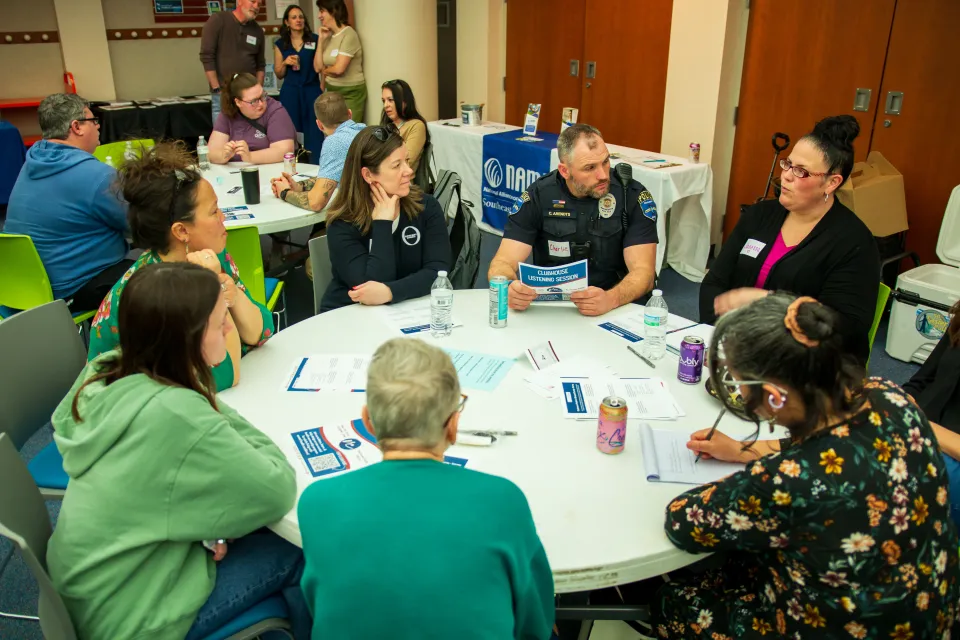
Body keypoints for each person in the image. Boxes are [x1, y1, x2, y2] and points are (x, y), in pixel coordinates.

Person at [655, 294, 959, 639]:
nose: (737, 391)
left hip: (838, 628)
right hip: (927, 613)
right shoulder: (889, 396)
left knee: (673, 598)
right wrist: (746, 449)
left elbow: (682, 523)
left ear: (772, 395)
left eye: (739, 383)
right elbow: (837, 442)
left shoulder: (787, 480)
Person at [47, 262, 310, 640]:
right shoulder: (176, 413)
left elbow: (153, 486)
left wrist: (207, 529)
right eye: (221, 322)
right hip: (134, 620)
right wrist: (211, 409)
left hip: (94, 589)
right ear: (189, 337)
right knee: (303, 549)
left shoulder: (110, 373)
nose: (229, 330)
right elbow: (277, 487)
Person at [299, 338, 555, 639]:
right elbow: (534, 625)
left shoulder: (317, 502)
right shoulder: (503, 501)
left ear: (367, 421)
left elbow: (324, 606)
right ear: (453, 426)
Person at [88, 142, 274, 391]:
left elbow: (259, 332)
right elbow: (223, 374)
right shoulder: (156, 293)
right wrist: (214, 289)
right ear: (181, 231)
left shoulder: (210, 257)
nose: (223, 218)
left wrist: (233, 294)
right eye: (214, 211)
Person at [699, 115, 880, 363]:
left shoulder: (854, 243)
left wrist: (766, 301)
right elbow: (714, 284)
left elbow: (845, 329)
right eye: (788, 164)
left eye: (801, 172)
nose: (785, 176)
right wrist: (721, 337)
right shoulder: (760, 215)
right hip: (737, 346)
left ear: (831, 183)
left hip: (804, 365)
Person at [488, 123, 658, 317]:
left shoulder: (631, 196)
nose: (603, 175)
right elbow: (501, 262)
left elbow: (644, 273)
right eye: (590, 168)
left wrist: (611, 299)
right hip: (553, 308)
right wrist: (509, 287)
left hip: (615, 304)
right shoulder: (538, 196)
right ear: (565, 171)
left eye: (605, 162)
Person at [4, 93, 132, 313]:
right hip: (70, 291)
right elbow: (141, 223)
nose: (98, 127)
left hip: (20, 290)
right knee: (158, 266)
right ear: (77, 127)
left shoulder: (31, 163)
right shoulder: (97, 176)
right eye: (94, 121)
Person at [319, 125, 451, 312]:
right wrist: (382, 224)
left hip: (406, 312)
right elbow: (370, 288)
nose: (408, 171)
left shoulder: (426, 207)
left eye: (406, 161)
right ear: (368, 175)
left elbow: (439, 271)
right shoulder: (342, 223)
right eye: (397, 165)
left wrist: (391, 292)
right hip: (349, 315)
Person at [904, 300, 960, 527]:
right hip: (920, 428)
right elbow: (921, 380)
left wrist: (919, 424)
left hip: (948, 455)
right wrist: (898, 401)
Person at [269, 91, 364, 213]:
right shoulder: (363, 131)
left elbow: (315, 203)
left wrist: (285, 192)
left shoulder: (334, 142)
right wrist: (299, 186)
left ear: (319, 124)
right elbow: (331, 177)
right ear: (350, 114)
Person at [200, 0, 265, 123]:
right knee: (223, 136)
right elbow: (207, 56)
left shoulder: (257, 31)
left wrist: (258, 91)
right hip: (223, 93)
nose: (256, 7)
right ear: (239, 1)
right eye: (253, 1)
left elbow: (260, 65)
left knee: (250, 136)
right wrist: (216, 89)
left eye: (259, 4)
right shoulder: (218, 20)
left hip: (249, 96)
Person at [208, 73, 296, 165]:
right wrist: (224, 155)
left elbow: (285, 151)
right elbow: (211, 152)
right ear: (238, 102)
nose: (261, 103)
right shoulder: (229, 112)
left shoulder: (276, 111)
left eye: (263, 96)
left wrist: (250, 156)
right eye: (254, 101)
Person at [273, 5, 323, 162]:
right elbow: (279, 73)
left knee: (314, 130)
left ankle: (316, 164)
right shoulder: (281, 44)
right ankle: (294, 164)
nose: (298, 20)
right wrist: (285, 62)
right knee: (291, 129)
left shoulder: (314, 40)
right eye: (294, 17)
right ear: (287, 22)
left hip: (311, 90)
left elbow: (321, 66)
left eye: (301, 17)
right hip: (291, 92)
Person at [314, 0, 365, 123]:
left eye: (322, 11)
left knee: (349, 135)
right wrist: (321, 40)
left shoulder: (349, 34)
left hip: (351, 92)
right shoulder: (328, 36)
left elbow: (339, 69)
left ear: (333, 11)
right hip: (332, 91)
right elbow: (317, 67)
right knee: (334, 133)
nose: (319, 16)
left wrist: (324, 72)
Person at [380, 79, 429, 173]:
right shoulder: (387, 126)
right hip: (382, 178)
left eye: (390, 100)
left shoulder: (416, 126)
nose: (386, 105)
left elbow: (405, 163)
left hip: (402, 182)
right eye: (383, 101)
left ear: (404, 102)